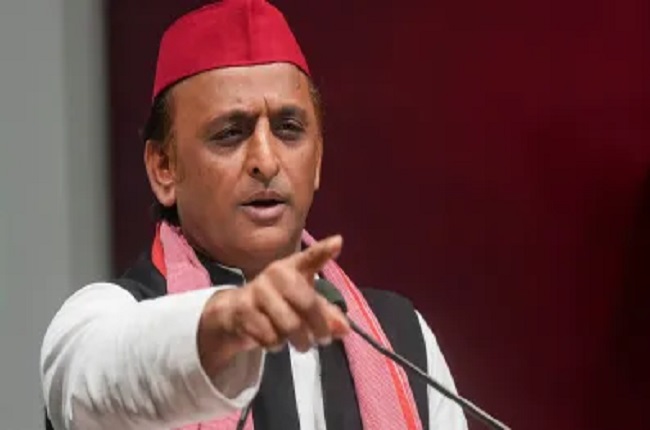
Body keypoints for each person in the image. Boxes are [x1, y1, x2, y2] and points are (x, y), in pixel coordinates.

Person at [40, 1, 468, 429]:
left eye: (288, 129)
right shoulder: (100, 321)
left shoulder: (402, 341)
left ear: (318, 158)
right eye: (230, 133)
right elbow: (96, 380)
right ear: (163, 167)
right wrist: (226, 321)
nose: (266, 160)